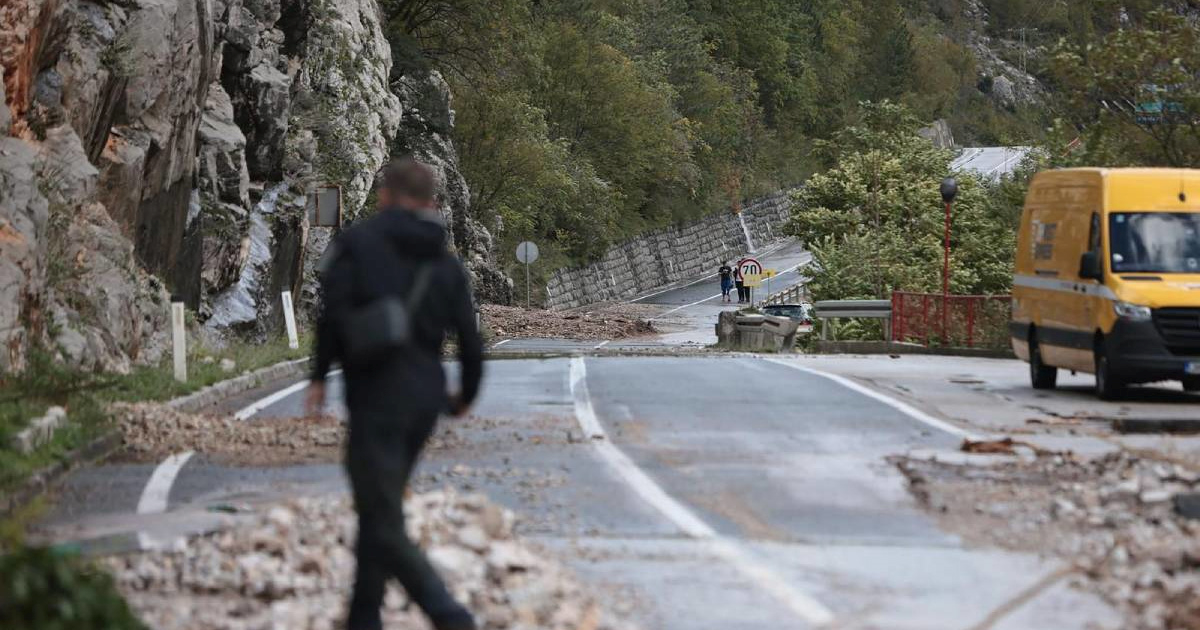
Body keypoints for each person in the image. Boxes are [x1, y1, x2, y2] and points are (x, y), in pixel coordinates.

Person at [305, 158, 484, 630]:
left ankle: (449, 615)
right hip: (424, 400)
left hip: (373, 396)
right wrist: (466, 392)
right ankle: (363, 618)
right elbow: (469, 335)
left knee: (381, 514)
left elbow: (331, 317)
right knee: (377, 504)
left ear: (384, 195)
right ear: (429, 203)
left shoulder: (356, 245)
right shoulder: (446, 262)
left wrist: (319, 378)